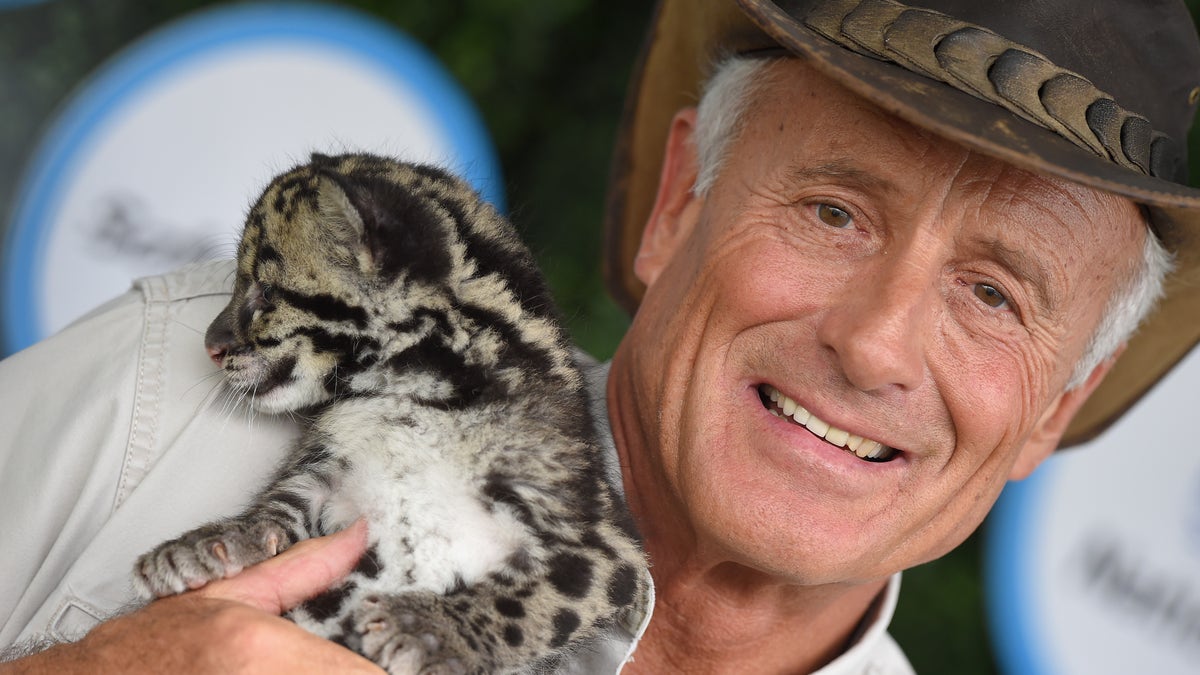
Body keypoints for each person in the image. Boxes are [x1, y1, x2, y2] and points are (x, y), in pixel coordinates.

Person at [4, 0, 1200, 672]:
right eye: (835, 211)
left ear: (1056, 405)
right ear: (678, 207)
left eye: (995, 293)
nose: (877, 343)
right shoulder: (185, 392)